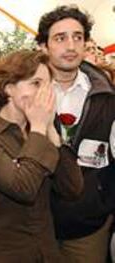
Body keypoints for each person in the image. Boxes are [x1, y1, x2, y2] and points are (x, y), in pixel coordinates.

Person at [0, 50, 84, 262]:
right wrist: (38, 128)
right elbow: (23, 188)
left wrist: (52, 134)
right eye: (36, 83)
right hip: (1, 253)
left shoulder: (40, 130)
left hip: (45, 251)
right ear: (9, 88)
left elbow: (72, 188)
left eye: (48, 85)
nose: (45, 93)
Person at [36, 6, 115, 263]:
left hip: (89, 225)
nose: (70, 45)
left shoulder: (106, 97)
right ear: (43, 46)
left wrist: (103, 202)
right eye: (60, 38)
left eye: (78, 37)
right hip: (35, 226)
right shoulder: (25, 94)